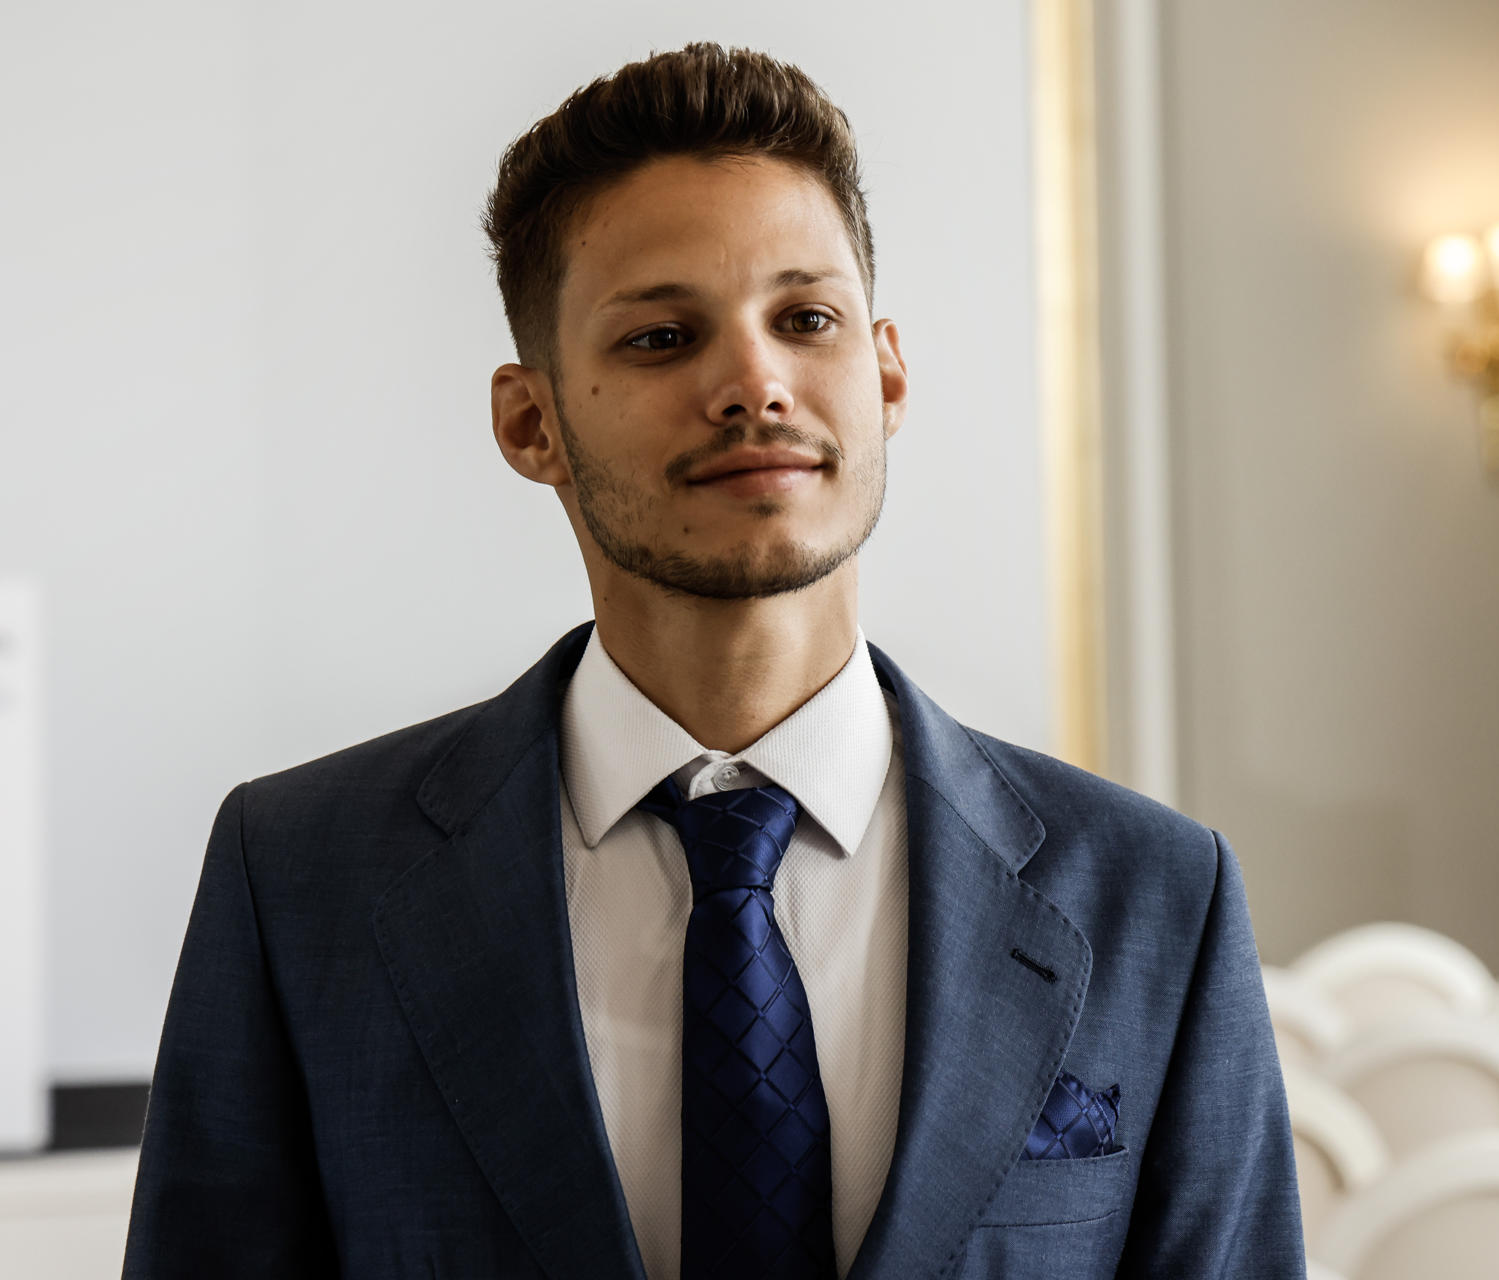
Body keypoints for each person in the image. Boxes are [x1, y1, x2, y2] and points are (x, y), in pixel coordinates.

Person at [122, 41, 1305, 1280]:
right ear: (532, 423)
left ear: (886, 370)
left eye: (806, 320)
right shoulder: (302, 876)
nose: (754, 383)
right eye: (661, 337)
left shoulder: (1155, 893)